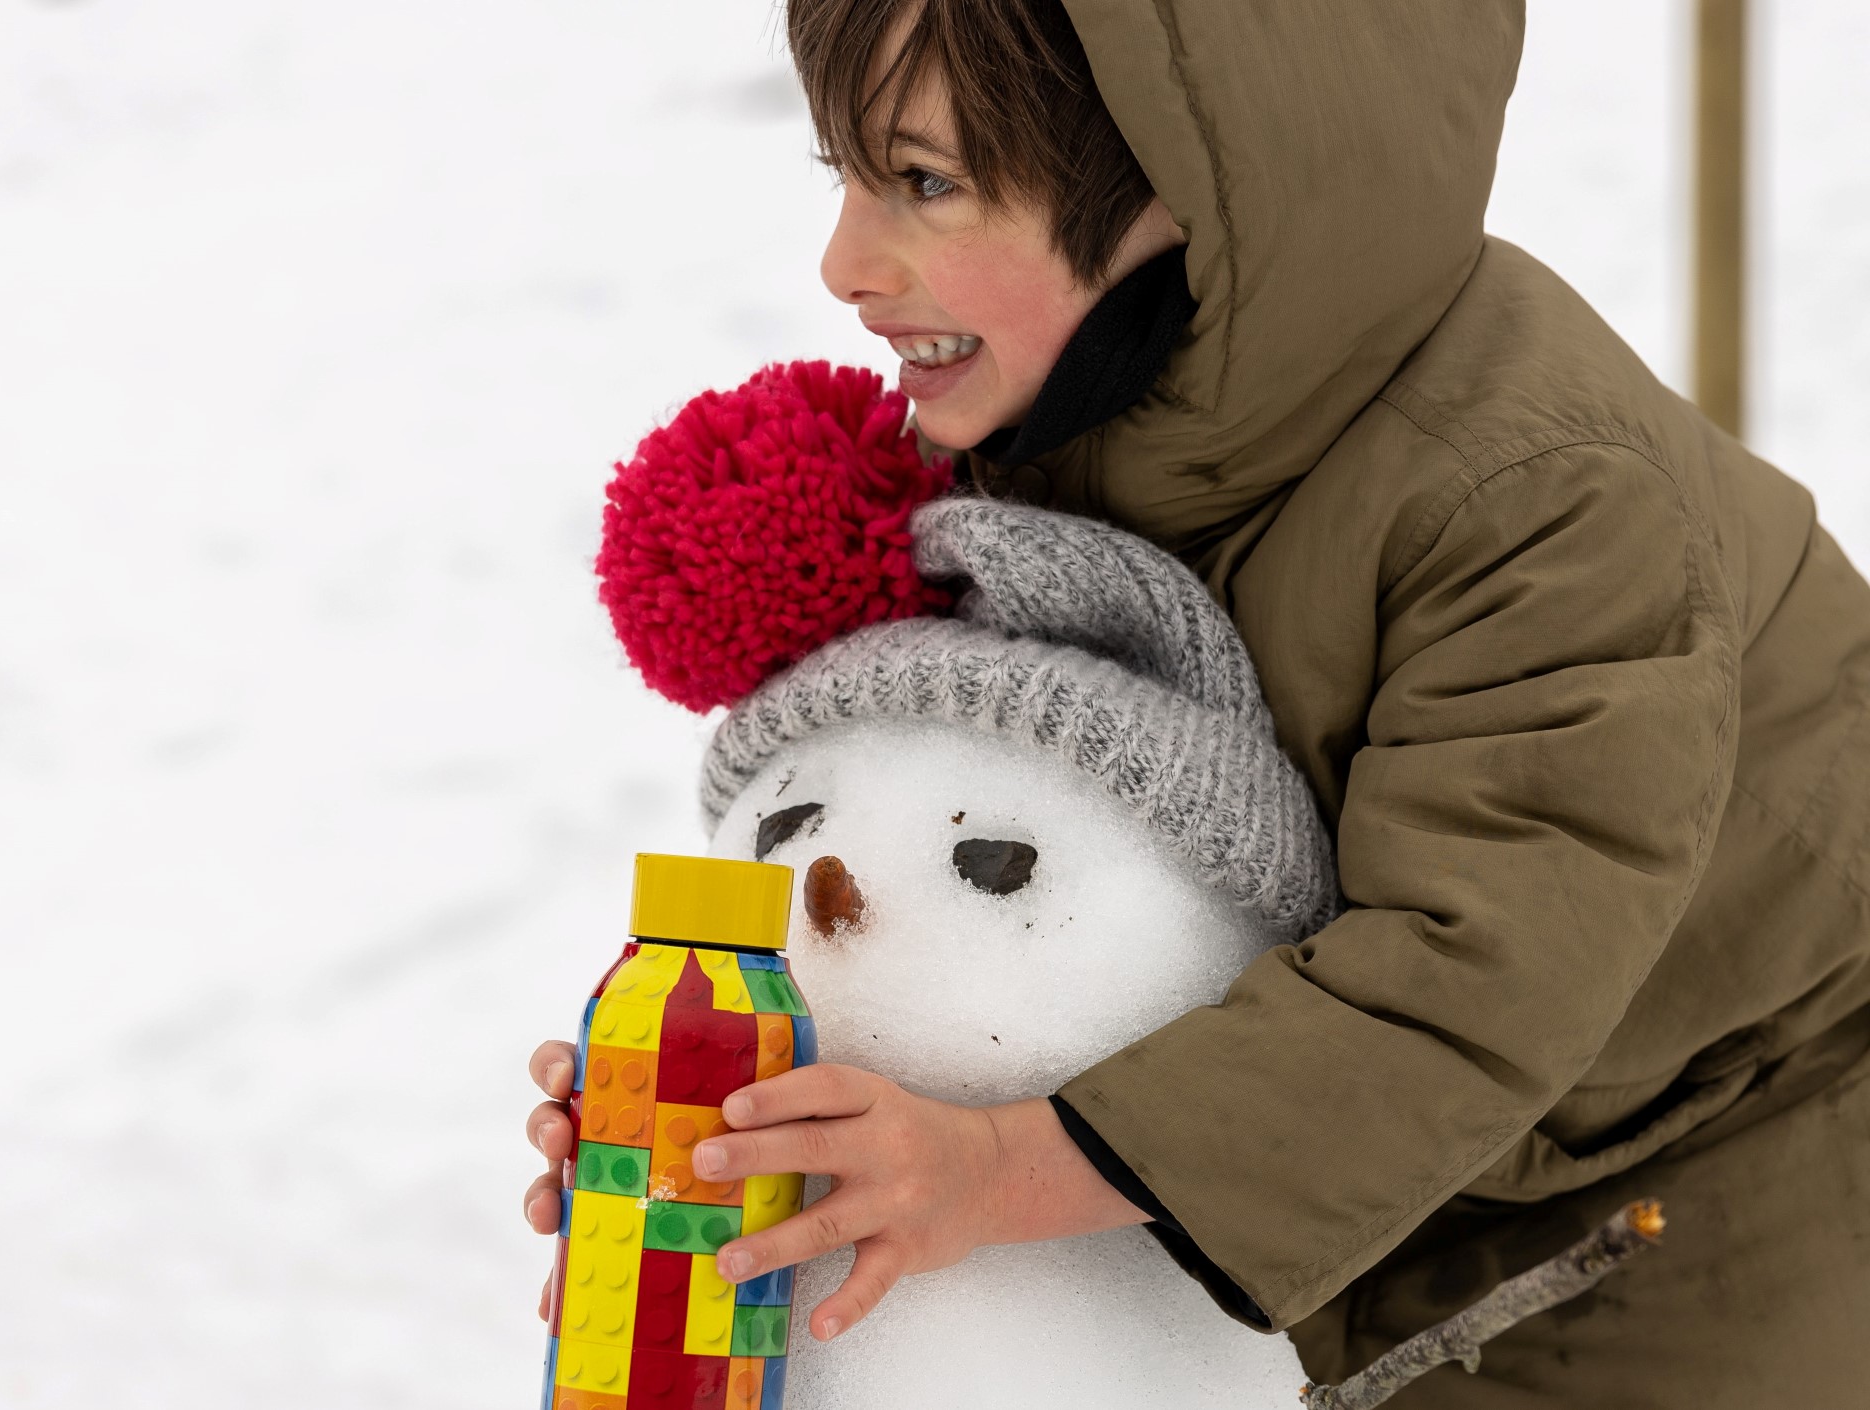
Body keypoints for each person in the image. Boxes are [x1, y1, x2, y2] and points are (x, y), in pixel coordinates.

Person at [527, 1, 1870, 1403]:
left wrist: (992, 1168)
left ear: (1192, 178)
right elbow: (980, 875)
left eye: (925, 181)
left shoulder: (1539, 501)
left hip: (1709, 1165)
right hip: (1309, 1173)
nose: (847, 263)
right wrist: (730, 1106)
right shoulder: (1055, 419)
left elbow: (1467, 981)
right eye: (846, 174)